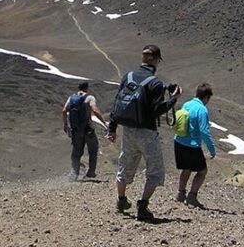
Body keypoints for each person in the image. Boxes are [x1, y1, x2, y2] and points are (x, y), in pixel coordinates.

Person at [106, 44, 181, 221]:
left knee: (125, 165)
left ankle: (121, 200)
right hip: (147, 133)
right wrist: (173, 100)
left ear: (142, 59)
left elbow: (118, 102)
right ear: (156, 60)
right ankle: (143, 205)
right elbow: (156, 110)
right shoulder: (154, 83)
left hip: (128, 131)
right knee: (155, 171)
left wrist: (112, 128)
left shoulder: (129, 76)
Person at [174, 83, 217, 207]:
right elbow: (204, 131)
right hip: (192, 145)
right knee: (202, 171)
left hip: (179, 141)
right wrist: (212, 149)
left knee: (186, 169)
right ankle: (192, 196)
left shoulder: (187, 104)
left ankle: (180, 194)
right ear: (206, 97)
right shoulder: (202, 110)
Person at [61, 81, 108, 180]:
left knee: (76, 152)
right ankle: (91, 172)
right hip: (88, 129)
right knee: (93, 150)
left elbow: (64, 110)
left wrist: (65, 124)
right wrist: (104, 122)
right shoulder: (90, 98)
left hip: (76, 130)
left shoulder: (71, 98)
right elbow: (94, 110)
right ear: (87, 88)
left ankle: (74, 174)